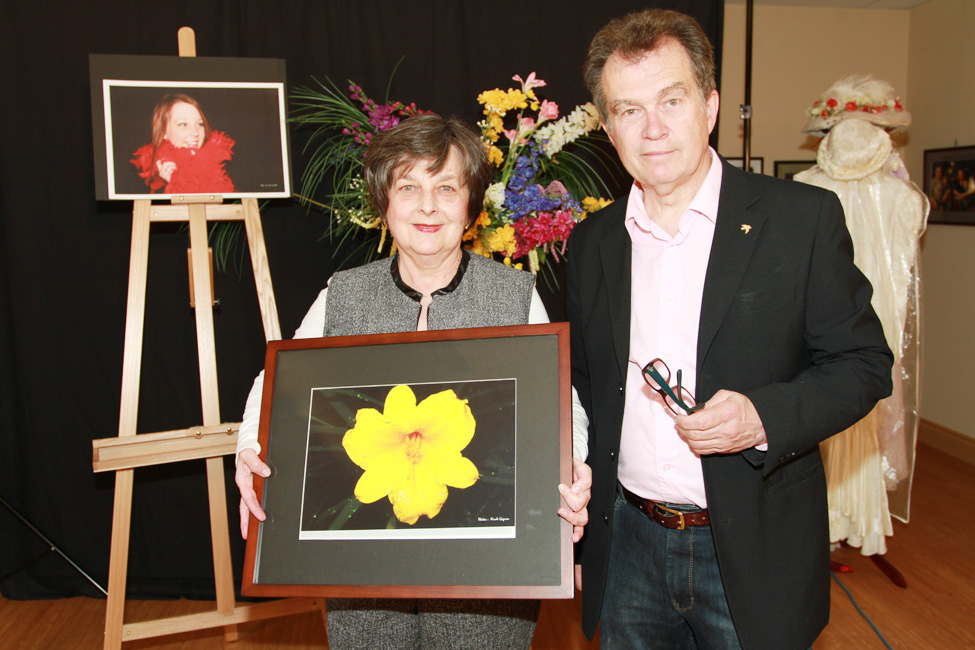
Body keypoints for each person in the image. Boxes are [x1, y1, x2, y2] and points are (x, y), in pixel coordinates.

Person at [567, 9, 892, 650]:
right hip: (628, 542)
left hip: (752, 544)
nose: (653, 129)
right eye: (629, 110)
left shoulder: (800, 220)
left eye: (671, 99)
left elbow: (863, 363)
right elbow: (582, 385)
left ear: (710, 106)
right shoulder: (591, 243)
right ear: (608, 128)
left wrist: (762, 417)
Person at [235, 113, 591, 650]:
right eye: (409, 187)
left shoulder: (515, 296)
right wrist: (249, 450)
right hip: (362, 570)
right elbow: (278, 385)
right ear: (384, 202)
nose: (428, 206)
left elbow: (561, 403)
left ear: (470, 206)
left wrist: (574, 465)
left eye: (446, 188)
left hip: (486, 575)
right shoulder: (343, 294)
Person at [130, 93, 235, 194]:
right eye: (183, 124)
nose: (195, 132)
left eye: (200, 124)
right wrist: (174, 186)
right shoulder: (145, 182)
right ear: (163, 132)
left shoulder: (221, 166)